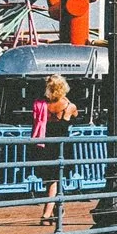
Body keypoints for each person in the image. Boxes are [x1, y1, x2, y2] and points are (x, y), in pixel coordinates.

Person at [32, 74, 78, 223]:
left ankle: (55, 209)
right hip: (61, 147)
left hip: (44, 144)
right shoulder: (69, 106)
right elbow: (74, 119)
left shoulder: (42, 105)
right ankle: (46, 214)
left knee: (49, 179)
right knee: (54, 180)